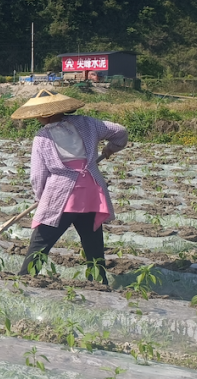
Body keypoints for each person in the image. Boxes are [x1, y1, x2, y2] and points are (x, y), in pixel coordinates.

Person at [11, 90, 127, 284]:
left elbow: (38, 176)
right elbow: (120, 131)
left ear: (43, 114)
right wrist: (111, 148)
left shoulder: (42, 138)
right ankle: (98, 284)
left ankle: (25, 281)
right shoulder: (89, 124)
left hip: (60, 196)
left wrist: (42, 198)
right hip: (92, 194)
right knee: (93, 247)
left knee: (40, 244)